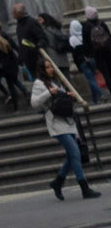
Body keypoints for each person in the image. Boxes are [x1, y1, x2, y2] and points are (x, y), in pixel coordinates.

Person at [31, 58, 102, 200]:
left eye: (51, 66)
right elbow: (34, 103)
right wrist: (49, 92)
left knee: (71, 155)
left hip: (68, 121)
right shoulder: (39, 83)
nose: (50, 69)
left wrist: (69, 96)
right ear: (42, 70)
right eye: (47, 67)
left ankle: (58, 182)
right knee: (75, 152)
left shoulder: (56, 82)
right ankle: (84, 187)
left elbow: (61, 98)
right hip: (56, 123)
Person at [0, 23, 23, 110]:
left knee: (10, 85)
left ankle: (15, 106)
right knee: (13, 83)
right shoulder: (5, 42)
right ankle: (21, 97)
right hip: (10, 66)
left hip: (2, 68)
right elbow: (11, 53)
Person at [13, 3, 47, 79]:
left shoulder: (31, 22)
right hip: (27, 59)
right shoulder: (19, 24)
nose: (12, 14)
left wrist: (37, 46)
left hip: (36, 58)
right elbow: (21, 41)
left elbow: (42, 38)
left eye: (13, 12)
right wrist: (21, 56)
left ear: (18, 13)